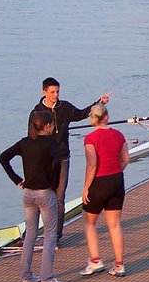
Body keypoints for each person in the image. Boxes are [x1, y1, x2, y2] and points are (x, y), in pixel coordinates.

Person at [29, 77, 111, 245]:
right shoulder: (36, 112)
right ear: (44, 92)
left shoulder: (64, 107)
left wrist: (100, 103)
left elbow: (81, 114)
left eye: (57, 91)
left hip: (63, 159)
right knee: (40, 198)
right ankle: (31, 234)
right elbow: (31, 139)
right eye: (52, 92)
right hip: (44, 162)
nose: (56, 95)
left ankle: (55, 236)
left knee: (59, 199)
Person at [0, 110, 64, 282]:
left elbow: (3, 158)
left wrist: (17, 180)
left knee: (31, 234)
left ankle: (26, 276)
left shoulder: (25, 143)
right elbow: (57, 163)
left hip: (27, 193)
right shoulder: (51, 143)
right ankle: (47, 279)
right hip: (45, 193)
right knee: (50, 235)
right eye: (52, 125)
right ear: (48, 126)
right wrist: (54, 183)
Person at [80, 104, 129, 277]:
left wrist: (86, 187)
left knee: (89, 222)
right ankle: (119, 265)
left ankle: (95, 261)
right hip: (117, 180)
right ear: (106, 117)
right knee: (114, 225)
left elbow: (92, 164)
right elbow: (125, 159)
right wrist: (116, 171)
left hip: (99, 182)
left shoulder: (90, 138)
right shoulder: (119, 135)